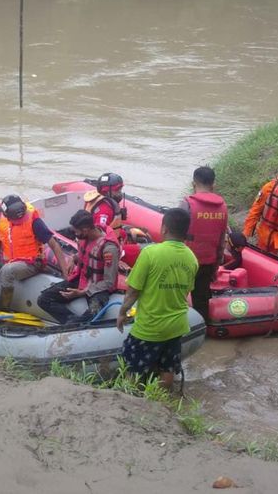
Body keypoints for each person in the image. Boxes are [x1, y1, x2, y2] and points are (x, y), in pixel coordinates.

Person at [116, 208, 198, 390]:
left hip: (150, 327)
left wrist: (122, 313)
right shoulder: (192, 258)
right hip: (177, 326)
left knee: (132, 370)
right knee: (167, 369)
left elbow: (133, 291)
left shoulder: (150, 253)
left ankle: (129, 400)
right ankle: (161, 403)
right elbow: (185, 293)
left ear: (164, 229)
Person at [0, 195, 71, 310]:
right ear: (6, 215)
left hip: (31, 263)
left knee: (7, 271)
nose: (19, 220)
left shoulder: (34, 221)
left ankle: (4, 309)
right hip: (7, 259)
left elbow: (55, 246)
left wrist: (65, 273)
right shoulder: (0, 221)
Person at [37, 210, 120, 323]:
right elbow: (85, 254)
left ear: (85, 230)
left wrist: (81, 292)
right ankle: (72, 322)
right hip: (82, 279)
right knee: (43, 300)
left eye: (76, 231)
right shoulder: (84, 238)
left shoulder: (109, 249)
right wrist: (73, 258)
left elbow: (109, 282)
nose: (75, 234)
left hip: (98, 288)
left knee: (92, 315)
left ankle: (77, 325)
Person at [179, 166, 227, 323]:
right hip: (208, 262)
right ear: (214, 185)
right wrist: (216, 265)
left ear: (194, 184)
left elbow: (175, 235)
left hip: (185, 262)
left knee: (177, 299)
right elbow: (221, 241)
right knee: (201, 300)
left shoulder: (186, 204)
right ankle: (201, 333)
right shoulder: (222, 207)